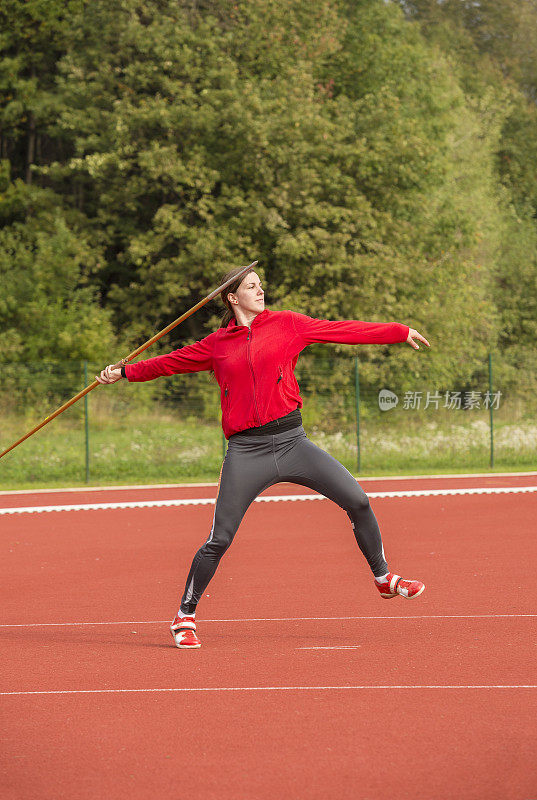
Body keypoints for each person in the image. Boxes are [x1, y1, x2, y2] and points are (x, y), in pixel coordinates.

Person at [97, 266, 430, 649]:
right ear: (232, 298)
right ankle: (184, 616)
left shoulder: (289, 325)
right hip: (246, 451)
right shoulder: (216, 344)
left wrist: (397, 330)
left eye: (260, 285)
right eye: (250, 287)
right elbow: (168, 362)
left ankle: (384, 579)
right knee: (219, 539)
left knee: (358, 500)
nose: (260, 291)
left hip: (293, 442)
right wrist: (124, 371)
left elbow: (342, 329)